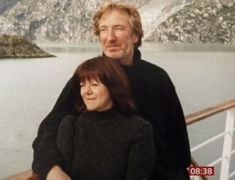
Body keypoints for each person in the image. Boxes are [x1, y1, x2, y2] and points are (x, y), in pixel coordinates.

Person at [32, 2, 191, 180]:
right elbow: (48, 130)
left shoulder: (158, 78)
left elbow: (179, 143)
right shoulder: (86, 79)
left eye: (118, 28)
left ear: (135, 35)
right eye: (103, 30)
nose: (110, 37)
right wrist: (52, 169)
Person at [56, 56, 155, 180]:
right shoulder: (70, 126)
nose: (86, 91)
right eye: (82, 85)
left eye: (94, 84)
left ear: (112, 87)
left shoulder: (139, 130)